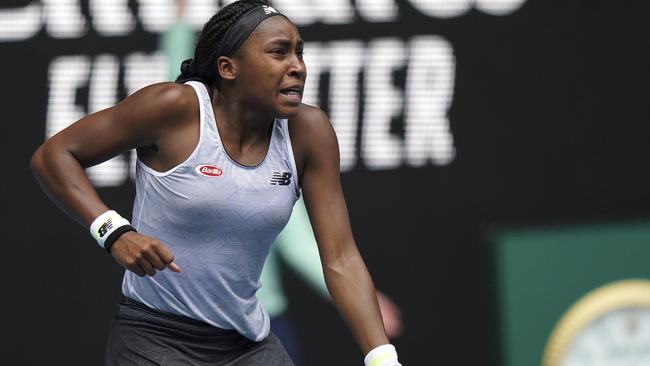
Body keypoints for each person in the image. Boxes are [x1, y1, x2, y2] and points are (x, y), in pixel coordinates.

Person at [31, 1, 403, 365]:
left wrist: (383, 359)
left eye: (299, 54)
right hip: (153, 337)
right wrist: (113, 231)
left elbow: (340, 257)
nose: (298, 67)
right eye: (279, 53)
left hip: (247, 342)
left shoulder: (309, 131)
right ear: (228, 68)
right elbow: (53, 155)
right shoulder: (173, 108)